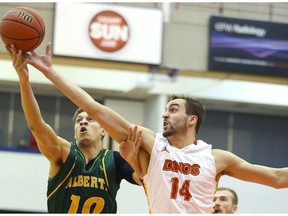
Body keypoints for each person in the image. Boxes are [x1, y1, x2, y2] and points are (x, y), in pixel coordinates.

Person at [13, 42, 288, 213]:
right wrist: (49, 72)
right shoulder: (151, 142)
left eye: (173, 109)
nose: (165, 114)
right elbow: (95, 108)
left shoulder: (217, 158)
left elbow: (277, 178)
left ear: (192, 120)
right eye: (165, 109)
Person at [6, 44, 143, 213]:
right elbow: (37, 126)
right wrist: (24, 80)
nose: (83, 122)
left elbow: (144, 181)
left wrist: (134, 161)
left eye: (90, 119)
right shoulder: (64, 153)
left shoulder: (115, 160)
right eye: (79, 120)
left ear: (103, 130)